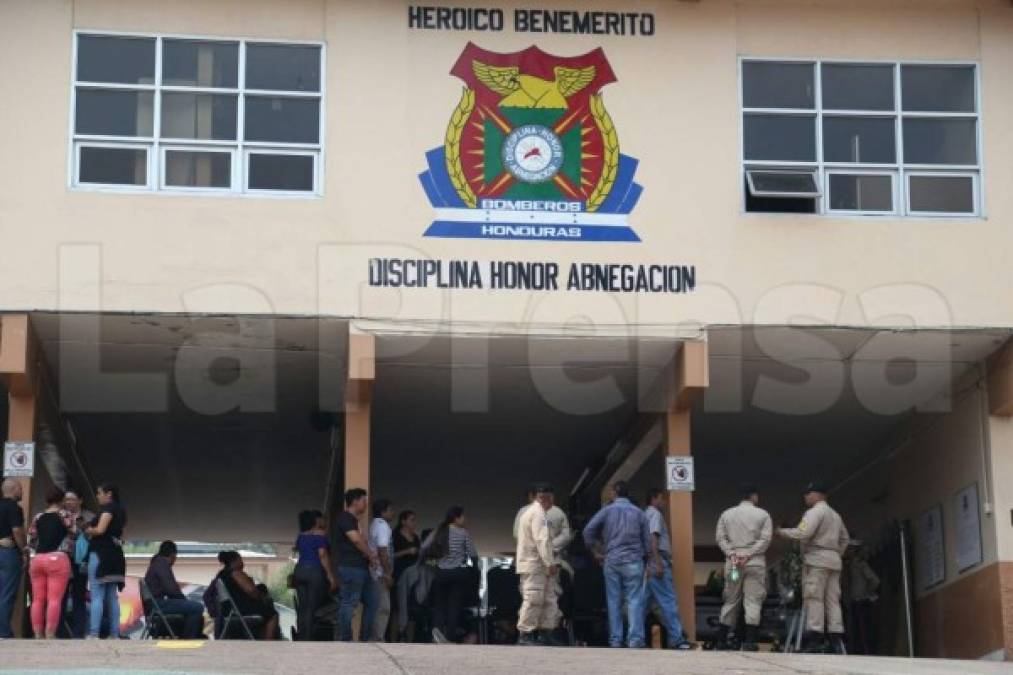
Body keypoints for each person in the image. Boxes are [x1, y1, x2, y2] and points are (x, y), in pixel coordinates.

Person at [777, 480, 850, 654]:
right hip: (833, 561)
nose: (805, 497)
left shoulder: (814, 513)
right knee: (833, 600)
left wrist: (781, 532)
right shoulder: (835, 515)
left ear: (817, 495)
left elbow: (803, 532)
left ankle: (815, 640)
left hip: (817, 560)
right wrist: (835, 553)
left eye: (808, 494)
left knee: (814, 598)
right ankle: (835, 640)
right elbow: (845, 538)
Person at [582, 481, 653, 648]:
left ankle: (615, 639)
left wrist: (596, 552)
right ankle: (635, 640)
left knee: (613, 600)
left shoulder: (606, 511)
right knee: (635, 600)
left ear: (614, 492)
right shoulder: (639, 513)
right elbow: (648, 542)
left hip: (611, 560)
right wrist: (646, 558)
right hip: (634, 561)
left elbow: (587, 531)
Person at [714, 483, 772, 651]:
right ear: (754, 497)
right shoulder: (763, 515)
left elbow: (720, 538)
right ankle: (750, 641)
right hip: (754, 564)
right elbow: (765, 539)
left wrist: (732, 554)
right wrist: (749, 554)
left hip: (734, 566)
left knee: (731, 598)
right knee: (753, 600)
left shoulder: (726, 514)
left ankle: (722, 640)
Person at [643, 488, 693, 650]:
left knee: (643, 604)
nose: (664, 502)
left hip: (648, 563)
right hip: (658, 562)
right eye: (661, 498)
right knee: (668, 601)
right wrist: (657, 562)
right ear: (653, 499)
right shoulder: (655, 515)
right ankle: (678, 639)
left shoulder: (645, 514)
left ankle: (631, 637)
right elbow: (653, 539)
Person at [422, 505, 478, 644]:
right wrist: (474, 569)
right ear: (456, 517)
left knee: (439, 606)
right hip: (458, 574)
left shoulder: (438, 531)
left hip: (441, 573)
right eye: (463, 516)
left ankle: (436, 635)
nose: (465, 519)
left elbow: (423, 547)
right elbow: (473, 554)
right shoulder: (463, 533)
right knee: (454, 606)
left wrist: (433, 564)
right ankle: (449, 637)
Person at [515, 483, 561, 646]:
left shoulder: (533, 513)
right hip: (535, 563)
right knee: (533, 598)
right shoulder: (537, 514)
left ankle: (545, 631)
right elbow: (542, 540)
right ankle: (525, 633)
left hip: (538, 564)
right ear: (544, 498)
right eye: (551, 499)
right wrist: (550, 562)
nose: (553, 503)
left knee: (548, 598)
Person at [27, 486, 76, 639]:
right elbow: (74, 532)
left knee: (37, 599)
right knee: (54, 599)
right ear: (61, 500)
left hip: (38, 559)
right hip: (57, 558)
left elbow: (32, 539)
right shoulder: (64, 514)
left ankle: (37, 633)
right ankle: (50, 633)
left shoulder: (38, 517)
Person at [335, 488, 379, 641]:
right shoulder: (345, 518)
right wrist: (370, 555)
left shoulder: (354, 520)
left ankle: (365, 638)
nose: (366, 504)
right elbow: (356, 539)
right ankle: (346, 638)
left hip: (360, 567)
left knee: (373, 601)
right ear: (355, 501)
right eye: (363, 501)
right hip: (351, 567)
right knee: (349, 602)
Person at [84, 483, 127, 639]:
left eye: (99, 493)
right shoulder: (121, 510)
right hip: (116, 555)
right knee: (112, 597)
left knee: (97, 595)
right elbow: (122, 534)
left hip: (101, 554)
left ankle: (94, 633)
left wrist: (88, 530)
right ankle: (114, 633)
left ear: (108, 494)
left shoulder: (108, 509)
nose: (97, 496)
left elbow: (100, 529)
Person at [143, 541, 205, 639]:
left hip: (154, 604)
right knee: (197, 607)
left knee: (191, 607)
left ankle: (187, 635)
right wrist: (183, 600)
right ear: (173, 555)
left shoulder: (157, 563)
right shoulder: (161, 564)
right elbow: (171, 589)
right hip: (158, 605)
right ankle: (188, 638)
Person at [292, 509, 337, 641]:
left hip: (299, 571)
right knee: (311, 608)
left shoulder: (300, 537)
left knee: (302, 607)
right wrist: (330, 575)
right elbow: (322, 555)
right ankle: (308, 639)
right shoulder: (320, 535)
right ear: (314, 522)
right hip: (314, 571)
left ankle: (300, 636)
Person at [214, 550, 279, 640]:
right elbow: (252, 591)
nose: (242, 563)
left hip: (229, 609)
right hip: (239, 609)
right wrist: (260, 596)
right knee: (272, 614)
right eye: (240, 560)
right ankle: (268, 643)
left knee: (265, 610)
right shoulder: (236, 573)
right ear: (235, 561)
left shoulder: (221, 575)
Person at [62, 489, 93, 637]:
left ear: (80, 500)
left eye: (71, 499)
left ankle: (78, 632)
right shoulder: (60, 515)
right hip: (64, 558)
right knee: (61, 595)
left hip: (82, 560)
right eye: (66, 499)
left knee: (79, 595)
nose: (68, 502)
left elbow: (94, 536)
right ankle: (60, 631)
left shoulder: (89, 516)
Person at [0, 478, 26, 638]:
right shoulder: (14, 508)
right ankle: (3, 631)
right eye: (21, 489)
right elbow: (17, 530)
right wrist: (24, 550)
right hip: (8, 553)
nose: (22, 492)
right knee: (7, 593)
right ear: (14, 489)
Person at [845, 540, 880, 655]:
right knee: (855, 632)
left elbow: (875, 581)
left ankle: (868, 655)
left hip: (863, 602)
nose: (848, 551)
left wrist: (867, 593)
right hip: (854, 603)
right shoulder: (848, 566)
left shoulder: (861, 564)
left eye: (850, 549)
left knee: (865, 632)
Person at [368, 499, 395, 641]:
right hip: (380, 573)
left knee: (376, 606)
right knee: (383, 608)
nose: (393, 513)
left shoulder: (374, 524)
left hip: (375, 572)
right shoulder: (383, 526)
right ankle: (377, 638)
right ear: (383, 512)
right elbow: (383, 550)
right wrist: (387, 573)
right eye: (390, 510)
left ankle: (374, 636)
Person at [392, 510, 421, 583]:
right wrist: (407, 551)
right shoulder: (395, 536)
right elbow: (389, 555)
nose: (414, 523)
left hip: (414, 569)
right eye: (412, 520)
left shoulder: (415, 537)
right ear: (403, 521)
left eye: (415, 520)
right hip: (400, 569)